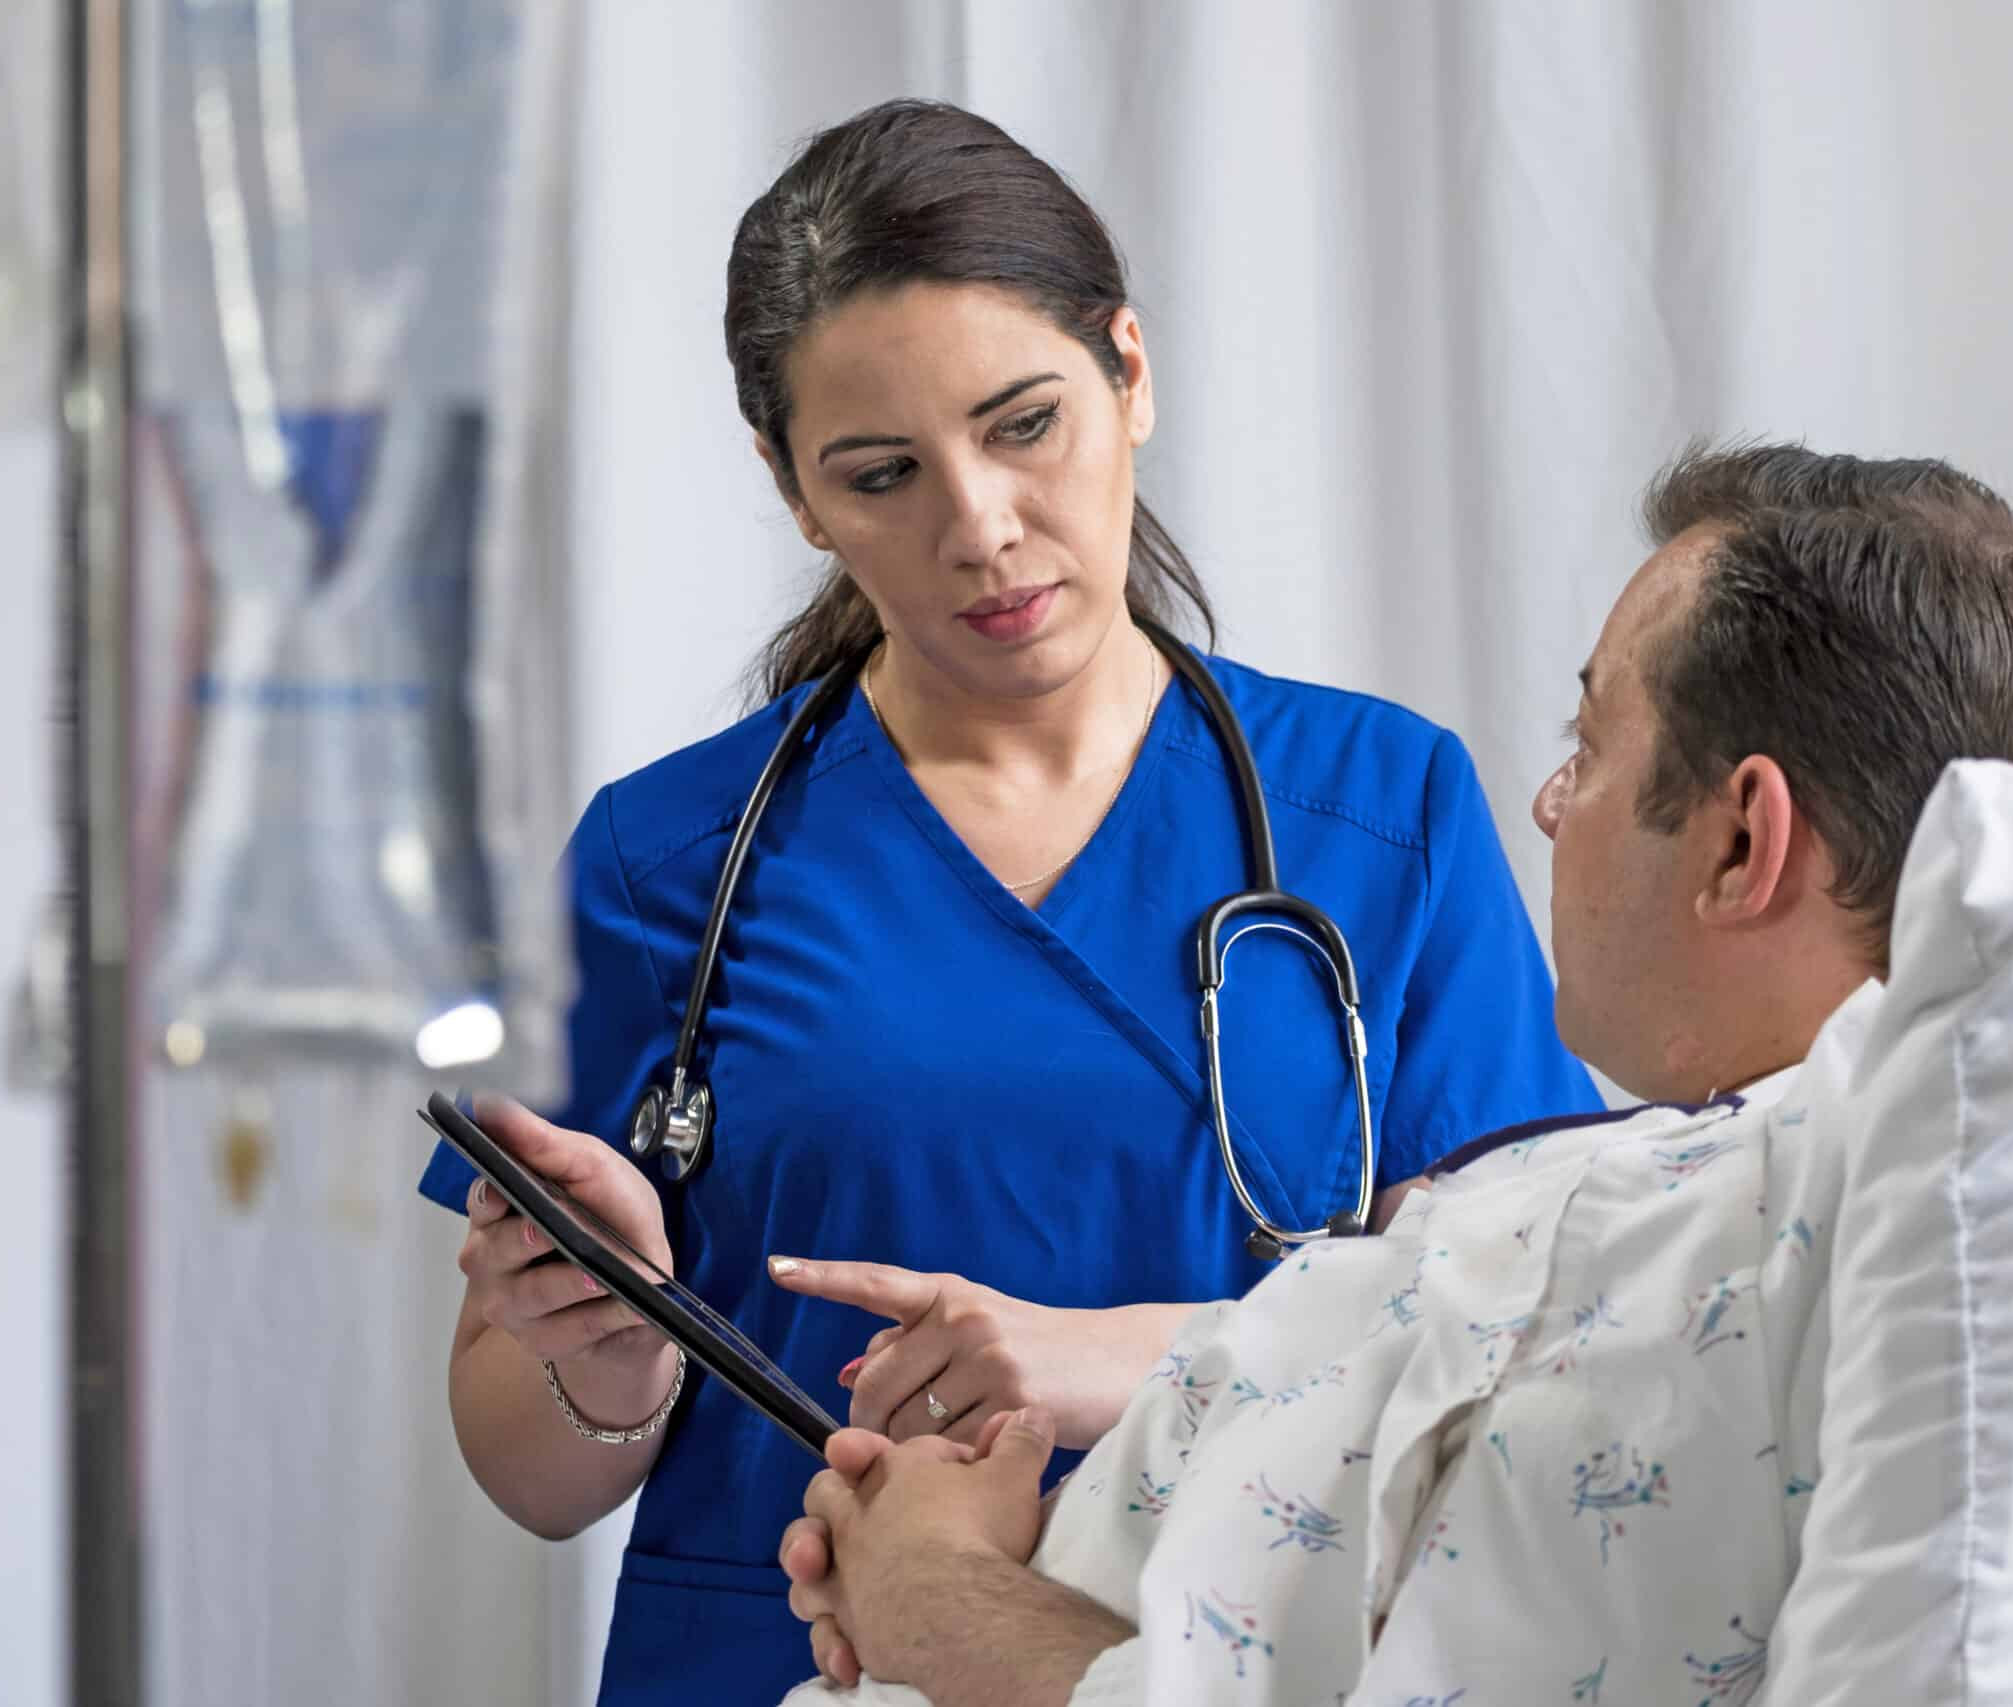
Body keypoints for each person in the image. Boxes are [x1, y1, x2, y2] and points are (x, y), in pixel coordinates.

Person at [417, 98, 1596, 1702]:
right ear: (794, 492)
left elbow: (1531, 1354)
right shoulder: (662, 859)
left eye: (1024, 422)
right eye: (883, 472)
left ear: (1130, 371)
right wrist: (605, 1358)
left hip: (1233, 1664)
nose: (977, 527)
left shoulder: (1382, 813)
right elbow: (530, 1477)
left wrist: (1138, 1356)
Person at [769, 441, 2013, 1705]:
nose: (1549, 803)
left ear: (1740, 846)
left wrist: (935, 1592)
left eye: (1591, 746)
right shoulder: (1643, 1188)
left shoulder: (1753, 1286)